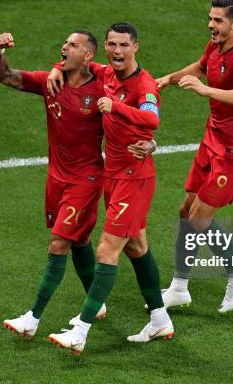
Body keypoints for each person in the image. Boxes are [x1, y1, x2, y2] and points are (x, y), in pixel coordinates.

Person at [0, 30, 155, 339]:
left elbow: (133, 100)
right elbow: (4, 76)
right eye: (64, 43)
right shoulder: (51, 80)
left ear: (89, 56)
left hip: (87, 179)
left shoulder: (105, 83)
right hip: (56, 178)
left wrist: (149, 143)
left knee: (59, 244)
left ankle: (32, 319)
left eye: (72, 45)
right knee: (79, 241)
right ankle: (102, 303)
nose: (64, 47)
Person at [46, 23, 174, 354]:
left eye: (124, 46)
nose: (117, 51)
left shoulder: (143, 85)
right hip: (113, 175)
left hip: (135, 178)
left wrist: (116, 108)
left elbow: (152, 120)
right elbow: (77, 61)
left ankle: (82, 331)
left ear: (136, 48)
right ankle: (160, 320)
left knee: (107, 249)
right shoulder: (106, 73)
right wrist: (55, 70)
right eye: (112, 45)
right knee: (136, 247)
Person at [155, 0, 233, 313]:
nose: (211, 25)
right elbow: (201, 67)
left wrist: (205, 90)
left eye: (217, 21)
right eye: (210, 19)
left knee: (200, 218)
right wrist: (169, 79)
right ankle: (178, 288)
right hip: (212, 140)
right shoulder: (215, 46)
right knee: (186, 209)